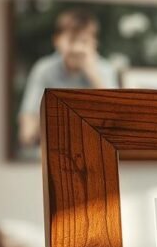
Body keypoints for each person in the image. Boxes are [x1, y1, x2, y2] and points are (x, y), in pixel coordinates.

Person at [17, 8, 119, 148]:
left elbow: (117, 122)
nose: (77, 48)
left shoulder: (105, 70)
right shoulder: (44, 69)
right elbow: (27, 130)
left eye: (84, 41)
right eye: (72, 40)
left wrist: (93, 74)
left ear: (94, 43)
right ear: (57, 41)